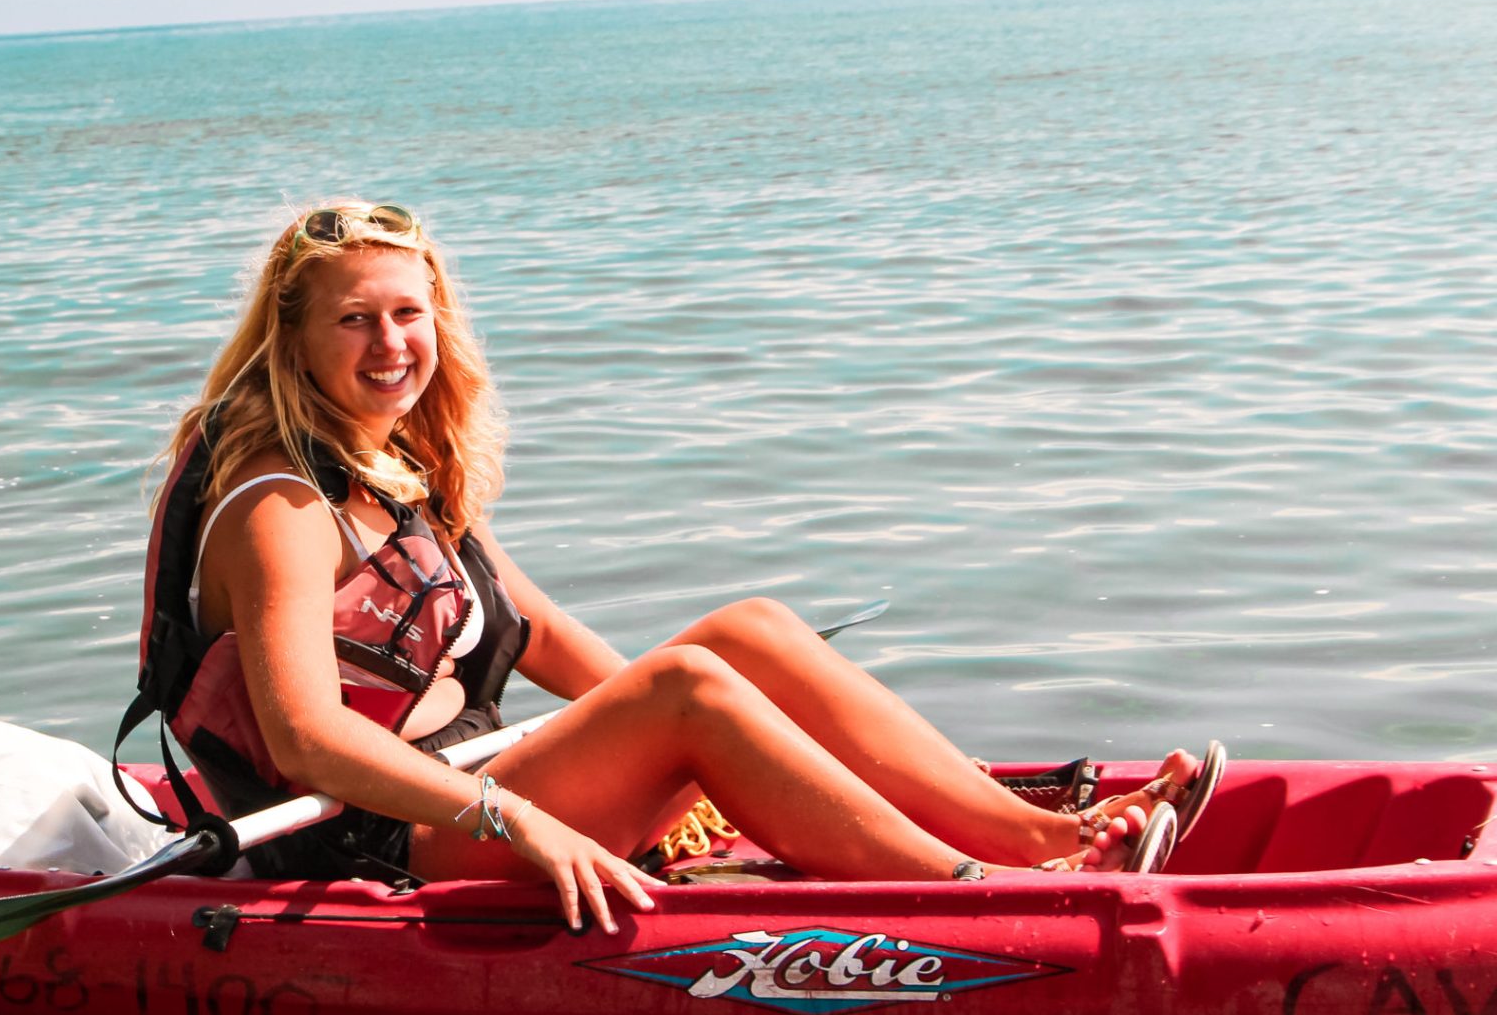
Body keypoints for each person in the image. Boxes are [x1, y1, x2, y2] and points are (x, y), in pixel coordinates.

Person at [125, 200, 1221, 932]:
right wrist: (538, 814)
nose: (390, 345)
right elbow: (307, 739)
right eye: (354, 321)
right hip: (377, 836)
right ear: (295, 337)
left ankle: (1042, 836)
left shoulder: (395, 457)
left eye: (408, 314)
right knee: (690, 688)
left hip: (474, 781)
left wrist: (667, 761)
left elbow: (531, 628)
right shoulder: (279, 501)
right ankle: (988, 899)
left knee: (745, 634)